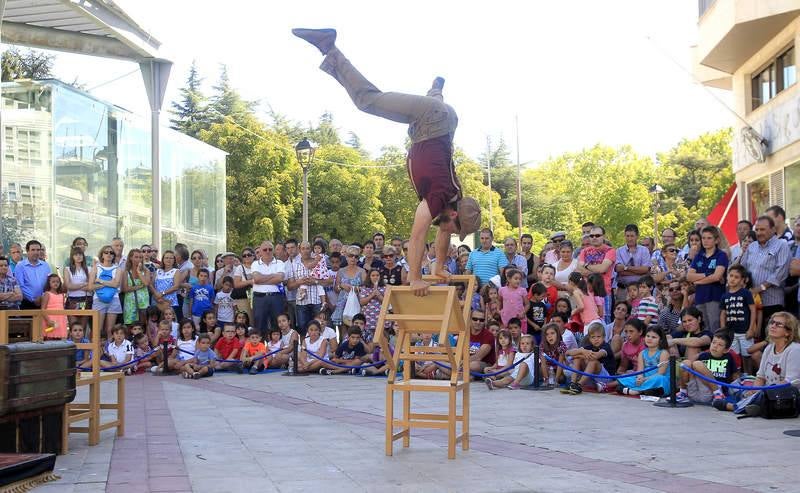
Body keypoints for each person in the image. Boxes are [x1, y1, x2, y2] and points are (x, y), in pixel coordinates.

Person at [293, 28, 480, 296]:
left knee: (430, 100)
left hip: (442, 120)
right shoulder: (439, 198)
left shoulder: (453, 200)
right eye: (455, 231)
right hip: (431, 119)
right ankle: (329, 46)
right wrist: (415, 277)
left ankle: (436, 89)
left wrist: (439, 267)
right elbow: (416, 237)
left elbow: (442, 235)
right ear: (454, 215)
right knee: (367, 100)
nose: (450, 236)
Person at [715, 312, 800, 414]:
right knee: (740, 385)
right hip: (767, 392)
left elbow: (791, 382)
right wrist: (755, 390)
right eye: (772, 323)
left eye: (778, 324)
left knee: (759, 396)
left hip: (786, 395)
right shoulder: (769, 348)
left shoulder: (795, 349)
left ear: (788, 332)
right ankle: (751, 404)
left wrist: (762, 391)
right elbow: (760, 377)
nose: (773, 326)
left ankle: (735, 406)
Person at [740, 216, 791, 339]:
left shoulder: (781, 245)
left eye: (762, 229)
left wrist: (761, 288)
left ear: (773, 229)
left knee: (771, 339)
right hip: (752, 304)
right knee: (753, 339)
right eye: (757, 230)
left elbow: (781, 273)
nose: (759, 233)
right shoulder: (752, 247)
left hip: (772, 302)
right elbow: (743, 269)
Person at [675, 331, 739, 404]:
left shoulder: (729, 357)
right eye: (713, 343)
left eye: (720, 345)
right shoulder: (703, 355)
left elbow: (735, 376)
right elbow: (691, 370)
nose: (715, 346)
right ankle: (683, 392)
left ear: (726, 350)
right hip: (694, 391)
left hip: (711, 392)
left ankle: (717, 393)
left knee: (697, 364)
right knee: (686, 363)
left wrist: (737, 392)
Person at [687, 226, 729, 334]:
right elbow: (689, 276)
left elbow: (717, 277)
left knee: (715, 325)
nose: (705, 241)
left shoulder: (721, 255)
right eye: (703, 238)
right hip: (700, 297)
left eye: (709, 238)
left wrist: (698, 281)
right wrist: (707, 274)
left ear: (716, 240)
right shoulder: (698, 256)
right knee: (703, 327)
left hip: (715, 296)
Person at [720, 264, 757, 374]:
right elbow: (723, 314)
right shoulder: (724, 296)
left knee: (747, 355)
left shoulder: (746, 293)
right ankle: (737, 377)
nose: (732, 279)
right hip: (731, 332)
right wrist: (723, 329)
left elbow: (753, 310)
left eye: (736, 277)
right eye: (731, 276)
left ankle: (748, 377)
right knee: (734, 356)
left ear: (742, 280)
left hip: (745, 331)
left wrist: (751, 328)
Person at [616, 326, 670, 396]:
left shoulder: (663, 353)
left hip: (657, 379)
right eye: (648, 336)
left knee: (660, 379)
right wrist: (640, 378)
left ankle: (636, 391)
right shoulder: (642, 353)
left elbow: (660, 373)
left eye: (654, 337)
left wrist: (644, 379)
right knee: (629, 377)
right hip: (644, 378)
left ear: (661, 340)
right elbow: (640, 371)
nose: (650, 339)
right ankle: (644, 390)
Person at [562, 323, 616, 394]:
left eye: (598, 337)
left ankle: (579, 385)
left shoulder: (606, 346)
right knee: (577, 358)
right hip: (592, 378)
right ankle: (572, 383)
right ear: (589, 339)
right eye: (593, 337)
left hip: (606, 378)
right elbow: (567, 353)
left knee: (593, 361)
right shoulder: (589, 347)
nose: (596, 339)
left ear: (603, 337)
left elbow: (596, 356)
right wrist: (581, 351)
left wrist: (582, 354)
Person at [576, 227, 615, 323]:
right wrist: (597, 271)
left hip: (604, 292)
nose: (594, 238)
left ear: (603, 237)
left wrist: (587, 265)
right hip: (587, 292)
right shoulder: (584, 251)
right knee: (588, 321)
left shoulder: (610, 251)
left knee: (604, 320)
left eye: (597, 235)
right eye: (591, 236)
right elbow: (579, 270)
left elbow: (603, 268)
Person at [251, 241, 286, 334]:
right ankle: (260, 347)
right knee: (259, 325)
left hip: (276, 298)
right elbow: (257, 279)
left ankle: (278, 347)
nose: (267, 251)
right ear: (261, 251)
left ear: (273, 250)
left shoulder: (280, 263)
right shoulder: (255, 264)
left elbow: (279, 278)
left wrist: (262, 278)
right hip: (259, 298)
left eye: (270, 249)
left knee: (278, 325)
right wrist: (273, 275)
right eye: (265, 249)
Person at [91, 245, 124, 339]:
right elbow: (90, 286)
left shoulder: (118, 269)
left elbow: (116, 285)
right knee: (97, 329)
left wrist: (100, 281)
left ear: (114, 255)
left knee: (110, 330)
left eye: (111, 252)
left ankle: (109, 351)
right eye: (106, 252)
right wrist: (110, 283)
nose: (109, 254)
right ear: (102, 255)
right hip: (98, 299)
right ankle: (94, 353)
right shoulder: (96, 268)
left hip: (114, 299)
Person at [615, 224, 651, 302]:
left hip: (640, 289)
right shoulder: (619, 251)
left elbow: (645, 269)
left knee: (641, 312)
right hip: (623, 289)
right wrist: (639, 272)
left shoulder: (644, 250)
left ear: (637, 236)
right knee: (623, 312)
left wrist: (626, 268)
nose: (629, 239)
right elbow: (619, 270)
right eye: (627, 236)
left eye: (632, 236)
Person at [333, 245, 366, 329]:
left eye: (356, 256)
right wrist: (341, 285)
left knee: (357, 327)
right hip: (343, 303)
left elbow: (366, 289)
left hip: (356, 303)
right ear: (346, 257)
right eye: (351, 256)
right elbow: (336, 289)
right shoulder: (341, 271)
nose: (353, 258)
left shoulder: (362, 271)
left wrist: (356, 288)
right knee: (343, 329)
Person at [14, 240, 51, 309]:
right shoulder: (20, 266)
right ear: (27, 251)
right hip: (26, 303)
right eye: (33, 250)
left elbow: (49, 284)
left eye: (38, 250)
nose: (36, 252)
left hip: (44, 302)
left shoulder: (46, 266)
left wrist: (42, 297)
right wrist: (33, 299)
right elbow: (20, 285)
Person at [122, 248, 151, 326]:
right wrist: (141, 286)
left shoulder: (146, 271)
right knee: (130, 325)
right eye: (136, 257)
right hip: (130, 303)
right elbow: (125, 289)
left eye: (140, 257)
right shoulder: (126, 272)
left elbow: (146, 283)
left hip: (143, 302)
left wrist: (138, 272)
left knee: (143, 325)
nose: (138, 259)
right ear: (131, 258)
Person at [358, 268, 385, 345]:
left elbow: (387, 303)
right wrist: (372, 295)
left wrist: (379, 295)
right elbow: (362, 302)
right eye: (373, 275)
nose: (375, 277)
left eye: (377, 275)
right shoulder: (365, 288)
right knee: (370, 337)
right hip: (369, 317)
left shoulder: (385, 288)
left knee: (381, 336)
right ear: (369, 277)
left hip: (381, 316)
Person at [498, 269, 528, 333]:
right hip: (506, 319)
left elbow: (527, 304)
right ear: (508, 279)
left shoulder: (522, 290)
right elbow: (499, 301)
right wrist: (499, 311)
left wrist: (523, 313)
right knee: (507, 338)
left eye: (520, 279)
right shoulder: (502, 290)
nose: (518, 281)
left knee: (521, 338)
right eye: (516, 278)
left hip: (519, 319)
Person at [232, 247, 255, 322]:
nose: (247, 257)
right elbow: (236, 284)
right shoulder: (240, 268)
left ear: (253, 256)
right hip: (244, 297)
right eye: (244, 255)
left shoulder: (258, 266)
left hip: (257, 296)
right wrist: (250, 282)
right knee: (246, 318)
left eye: (249, 255)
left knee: (257, 318)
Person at [40, 273, 67, 339]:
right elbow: (43, 309)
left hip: (60, 320)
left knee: (59, 339)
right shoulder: (47, 294)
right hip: (50, 320)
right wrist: (48, 320)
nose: (56, 283)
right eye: (53, 282)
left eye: (57, 282)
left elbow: (62, 307)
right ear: (49, 283)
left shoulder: (62, 295)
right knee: (49, 337)